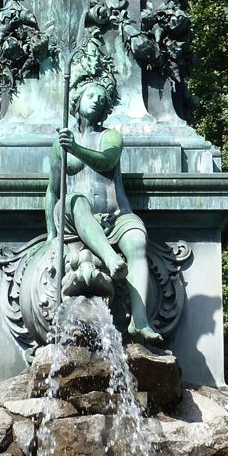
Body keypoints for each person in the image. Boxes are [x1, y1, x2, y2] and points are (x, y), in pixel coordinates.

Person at [46, 39, 160, 342]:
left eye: (101, 97)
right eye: (90, 95)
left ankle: (140, 320)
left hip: (116, 216)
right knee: (74, 198)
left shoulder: (111, 136)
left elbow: (107, 162)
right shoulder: (60, 143)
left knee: (136, 239)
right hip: (75, 219)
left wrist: (77, 149)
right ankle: (111, 259)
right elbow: (52, 191)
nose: (96, 100)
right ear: (77, 100)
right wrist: (50, 235)